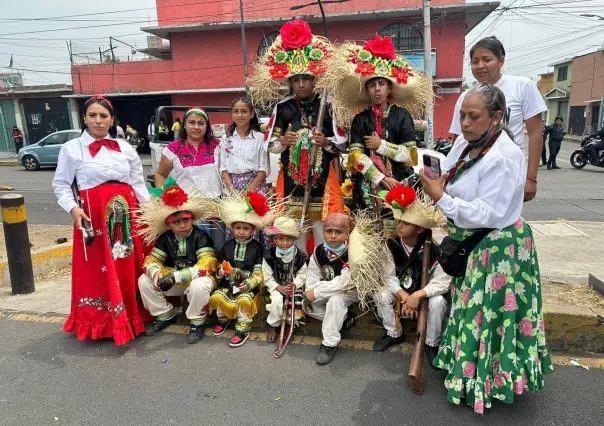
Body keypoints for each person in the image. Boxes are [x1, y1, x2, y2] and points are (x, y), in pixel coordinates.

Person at [420, 84, 552, 414]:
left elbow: (488, 212)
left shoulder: (505, 156)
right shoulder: (470, 144)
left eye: (473, 116)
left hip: (498, 250)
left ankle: (488, 381)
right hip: (475, 245)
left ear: (496, 117)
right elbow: (448, 169)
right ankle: (467, 370)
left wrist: (441, 197)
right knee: (471, 312)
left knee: (491, 317)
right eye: (462, 115)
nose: (464, 123)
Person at [52, 94, 150, 346]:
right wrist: (73, 209)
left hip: (125, 215)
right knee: (97, 268)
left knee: (126, 263)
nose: (98, 121)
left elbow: (138, 183)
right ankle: (101, 321)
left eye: (103, 116)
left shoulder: (126, 148)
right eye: (92, 115)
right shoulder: (71, 149)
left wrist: (149, 213)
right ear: (84, 118)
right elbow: (61, 185)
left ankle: (131, 317)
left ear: (111, 119)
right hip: (93, 217)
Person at [251, 19, 348, 254]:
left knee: (323, 229)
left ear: (314, 80)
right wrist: (283, 142)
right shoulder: (282, 108)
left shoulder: (328, 105)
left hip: (322, 180)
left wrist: (325, 142)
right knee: (295, 232)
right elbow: (270, 145)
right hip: (293, 183)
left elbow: (343, 143)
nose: (302, 84)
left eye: (306, 79)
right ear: (290, 82)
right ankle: (301, 273)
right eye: (297, 80)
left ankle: (324, 270)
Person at [321, 34, 429, 209]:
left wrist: (381, 146)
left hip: (399, 184)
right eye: (372, 85)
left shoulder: (402, 116)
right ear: (367, 90)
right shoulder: (360, 119)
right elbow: (355, 157)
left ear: (390, 88)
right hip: (367, 190)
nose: (377, 89)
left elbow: (411, 156)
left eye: (381, 83)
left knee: (397, 233)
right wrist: (381, 178)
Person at [449, 36, 546, 202]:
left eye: (487, 59)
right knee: (471, 218)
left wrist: (531, 178)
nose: (480, 66)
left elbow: (536, 132)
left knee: (504, 221)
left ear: (501, 61)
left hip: (507, 170)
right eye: (475, 61)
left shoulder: (522, 86)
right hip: (473, 171)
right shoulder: (466, 97)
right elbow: (458, 139)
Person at [372, 185, 449, 364]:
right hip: (401, 293)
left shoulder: (434, 248)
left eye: (406, 223)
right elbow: (387, 276)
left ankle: (431, 343)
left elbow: (443, 281)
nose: (399, 226)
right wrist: (405, 296)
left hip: (423, 294)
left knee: (438, 302)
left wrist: (418, 295)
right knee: (381, 294)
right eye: (399, 221)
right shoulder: (391, 244)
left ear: (420, 229)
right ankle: (394, 332)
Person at [137, 180, 217, 344]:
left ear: (192, 219)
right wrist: (155, 271)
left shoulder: (201, 236)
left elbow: (207, 265)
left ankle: (197, 322)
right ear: (168, 224)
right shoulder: (165, 238)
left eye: (185, 220)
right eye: (176, 222)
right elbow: (151, 259)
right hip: (173, 282)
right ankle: (165, 315)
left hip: (195, 281)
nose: (182, 225)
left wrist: (175, 277)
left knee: (200, 285)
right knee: (144, 280)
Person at [208, 190, 271, 347]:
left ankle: (243, 328)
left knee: (244, 301)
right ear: (232, 229)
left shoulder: (257, 248)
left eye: (245, 228)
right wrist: (221, 272)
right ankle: (224, 319)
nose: (241, 232)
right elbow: (221, 264)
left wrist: (250, 283)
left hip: (248, 286)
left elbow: (259, 271)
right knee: (219, 296)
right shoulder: (227, 245)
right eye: (238, 228)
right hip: (229, 283)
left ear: (252, 230)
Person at [155, 107, 224, 251]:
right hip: (188, 209)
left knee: (218, 247)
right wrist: (164, 198)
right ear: (184, 125)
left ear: (207, 126)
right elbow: (161, 174)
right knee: (195, 249)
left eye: (201, 123)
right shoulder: (173, 148)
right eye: (191, 122)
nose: (196, 127)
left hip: (216, 207)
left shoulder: (218, 145)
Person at [304, 213, 356, 365]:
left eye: (339, 232)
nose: (333, 236)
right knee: (307, 306)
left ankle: (329, 343)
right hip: (326, 288)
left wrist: (317, 292)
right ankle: (344, 319)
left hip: (349, 291)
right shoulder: (318, 251)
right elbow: (312, 275)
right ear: (323, 232)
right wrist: (311, 291)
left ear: (347, 233)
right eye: (329, 231)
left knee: (335, 300)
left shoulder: (352, 252)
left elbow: (344, 283)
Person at [219, 97, 271, 248]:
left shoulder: (260, 139)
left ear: (252, 114)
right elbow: (223, 168)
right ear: (231, 114)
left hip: (256, 188)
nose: (240, 115)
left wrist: (248, 191)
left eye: (244, 111)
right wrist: (233, 191)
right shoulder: (225, 139)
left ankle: (259, 264)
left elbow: (263, 169)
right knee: (237, 226)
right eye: (236, 111)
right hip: (233, 189)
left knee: (256, 225)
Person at [263, 216, 308, 343]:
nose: (285, 243)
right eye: (281, 239)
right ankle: (274, 325)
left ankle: (290, 324)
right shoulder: (269, 255)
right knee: (276, 301)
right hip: (277, 286)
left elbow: (303, 274)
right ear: (274, 239)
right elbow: (267, 277)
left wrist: (295, 284)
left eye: (289, 239)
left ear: (294, 239)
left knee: (294, 302)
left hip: (293, 287)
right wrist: (278, 287)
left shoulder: (300, 256)